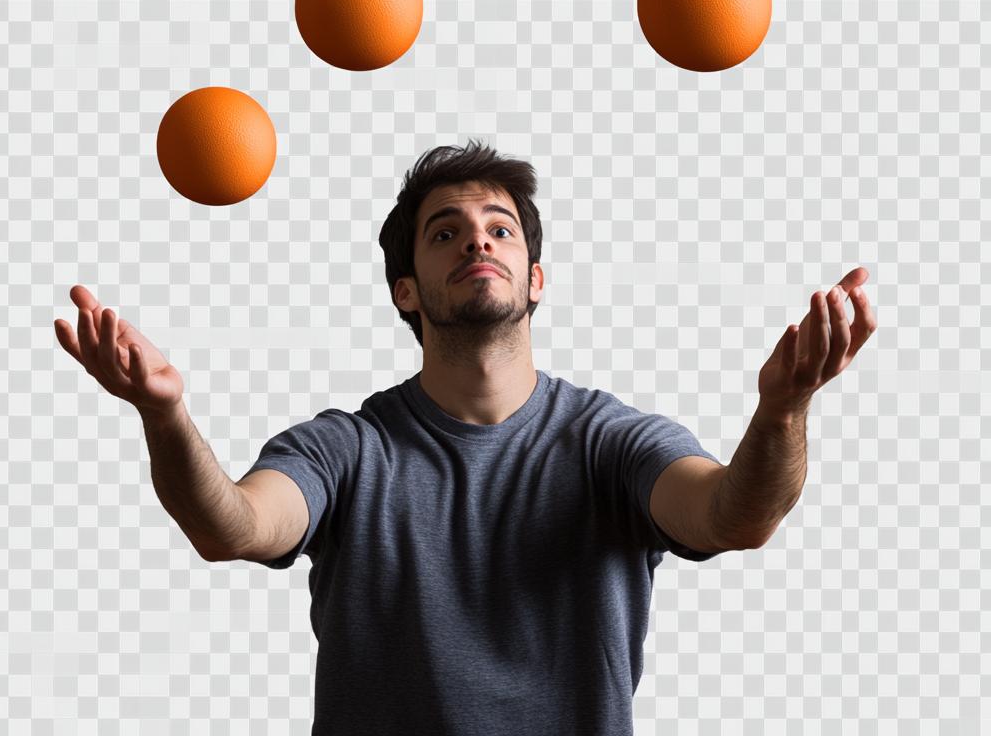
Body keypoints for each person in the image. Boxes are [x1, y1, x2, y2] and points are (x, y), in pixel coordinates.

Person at [54, 141, 876, 736]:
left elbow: (735, 516)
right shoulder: (346, 449)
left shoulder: (611, 441)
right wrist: (163, 414)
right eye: (445, 231)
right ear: (406, 290)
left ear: (536, 279)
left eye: (500, 228)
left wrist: (783, 409)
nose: (478, 240)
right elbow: (231, 525)